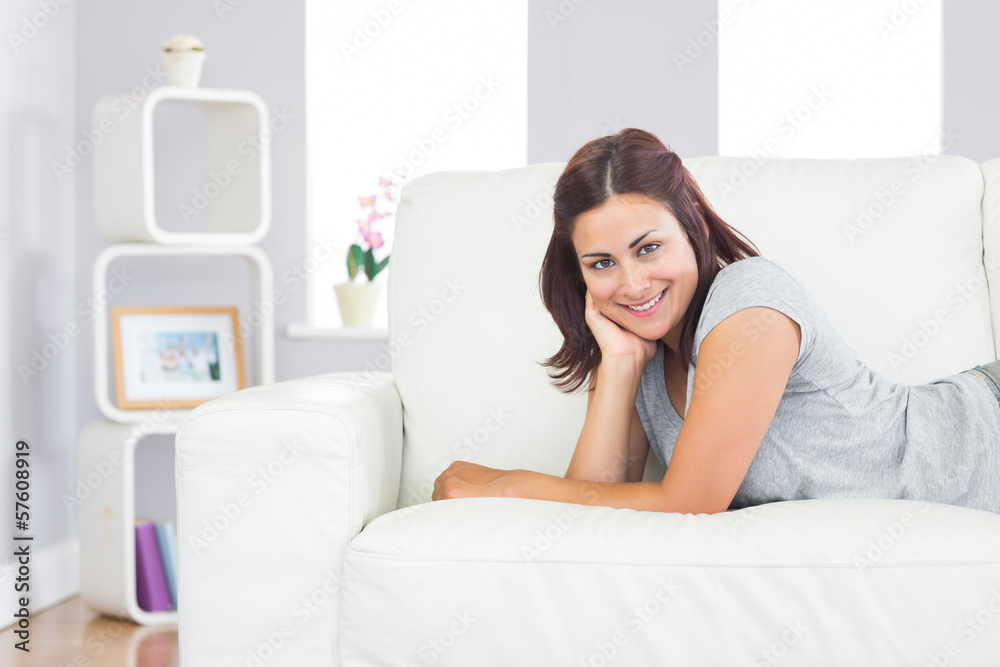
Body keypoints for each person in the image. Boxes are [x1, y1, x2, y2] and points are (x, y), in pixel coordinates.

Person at [432, 128, 1000, 515]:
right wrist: (622, 369)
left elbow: (687, 503)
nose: (631, 284)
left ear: (694, 227)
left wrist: (506, 486)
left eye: (649, 248)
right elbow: (593, 509)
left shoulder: (749, 304)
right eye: (602, 264)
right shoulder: (639, 347)